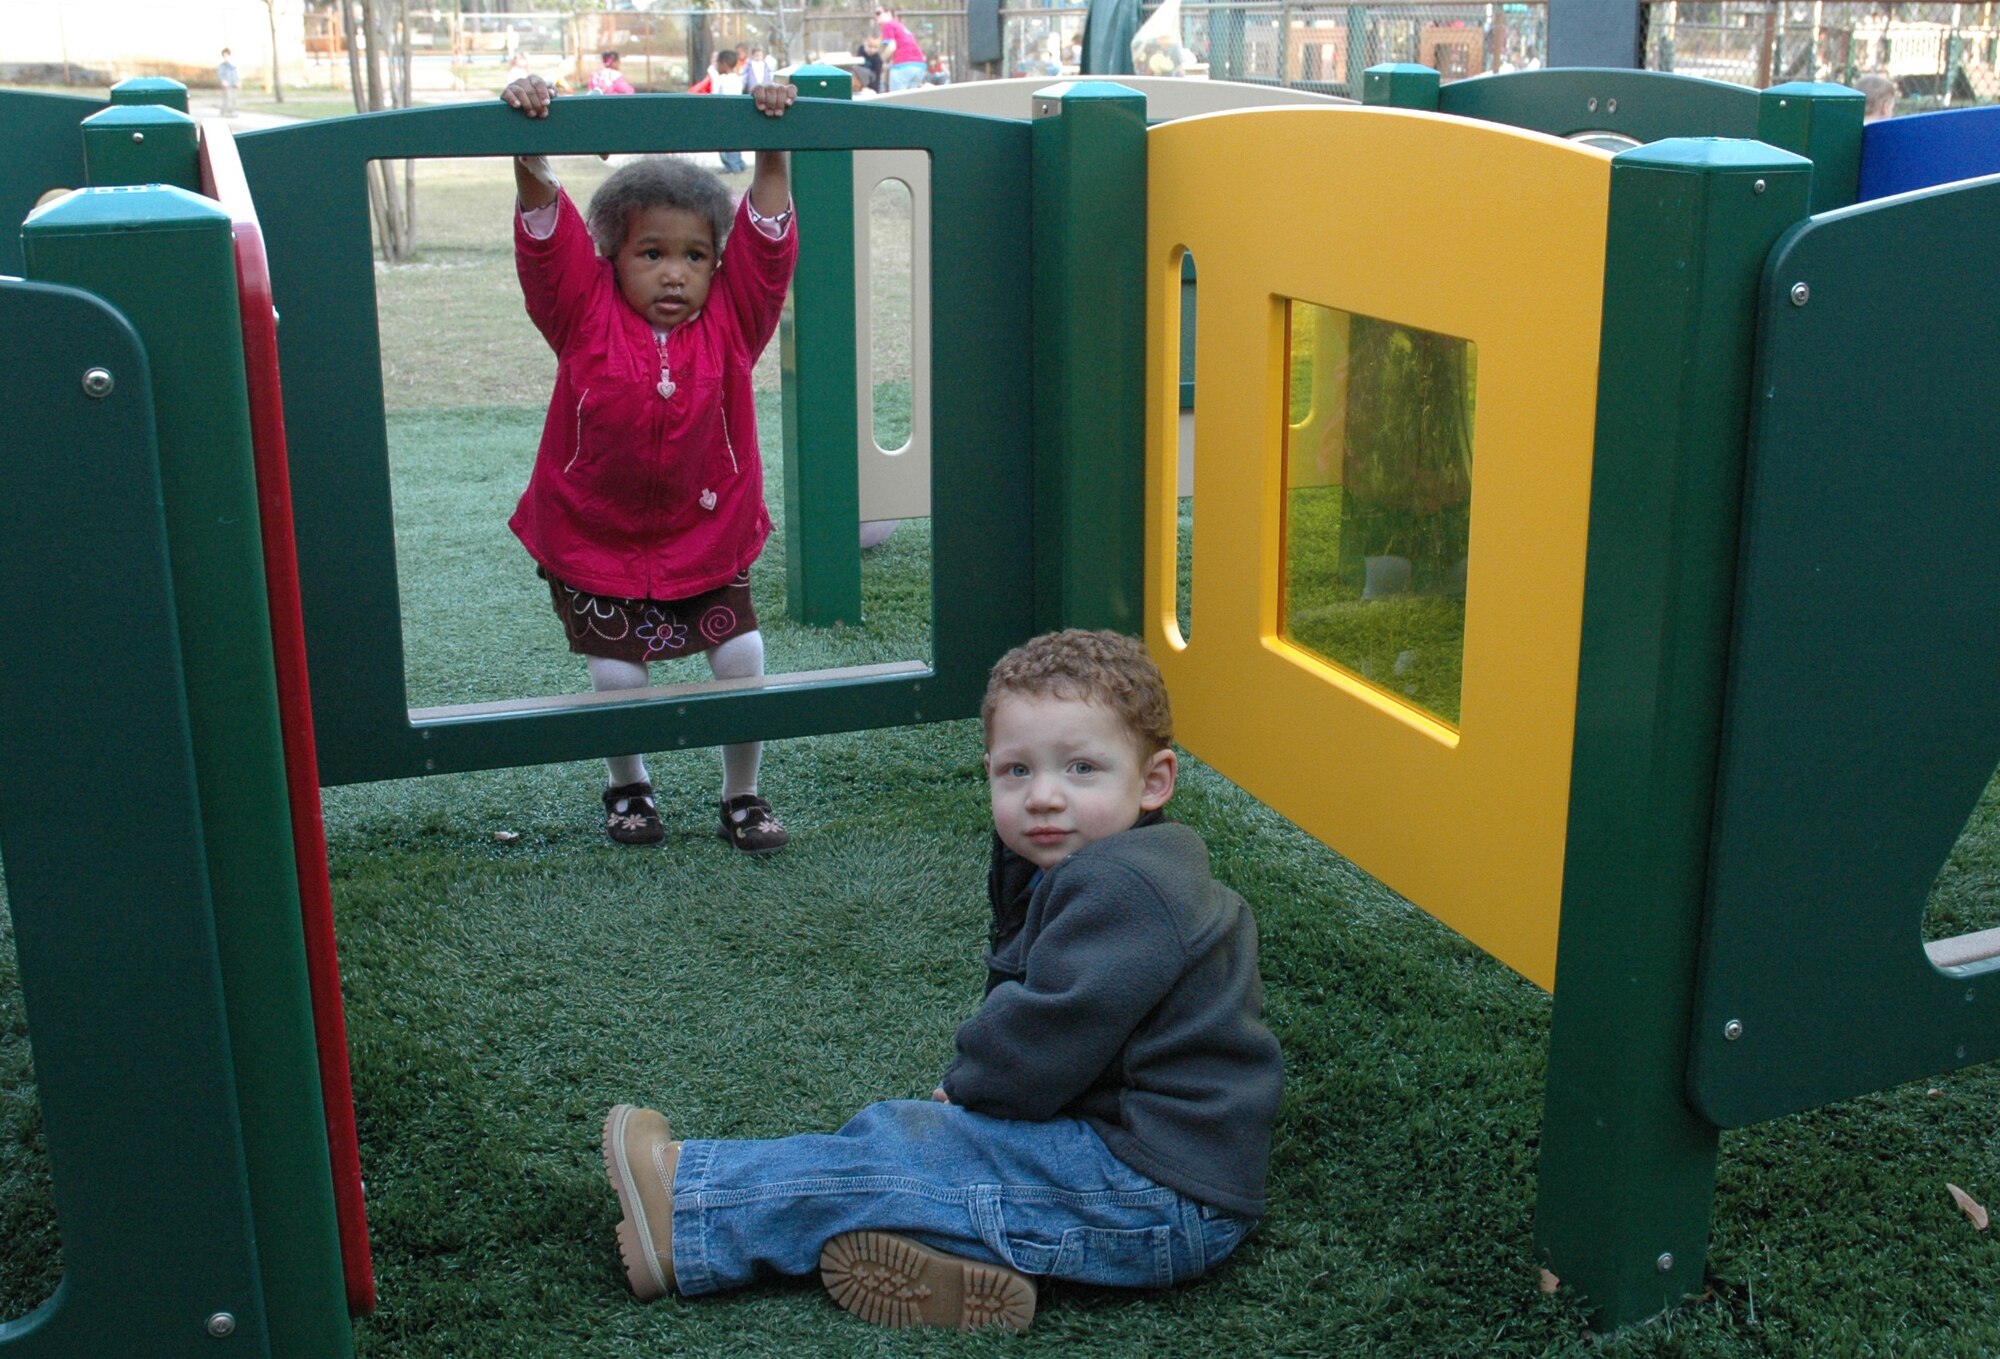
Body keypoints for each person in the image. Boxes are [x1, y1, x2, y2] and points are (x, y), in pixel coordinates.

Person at [599, 629, 1284, 1332]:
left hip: (1155, 1195)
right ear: (988, 771)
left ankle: (688, 1210)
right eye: (1017, 771)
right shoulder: (1089, 865)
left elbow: (1048, 1028)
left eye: (1081, 768)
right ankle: (949, 1248)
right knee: (930, 1151)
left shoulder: (1130, 887)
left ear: (1153, 780)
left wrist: (967, 1089)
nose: (1044, 796)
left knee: (908, 1147)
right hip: (1135, 1166)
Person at [499, 73, 800, 850]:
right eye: (652, 253)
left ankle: (743, 792)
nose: (675, 273)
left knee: (741, 655)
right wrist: (530, 139)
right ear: (610, 258)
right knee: (618, 676)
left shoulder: (733, 320)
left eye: (695, 255)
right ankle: (627, 782)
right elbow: (545, 230)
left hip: (706, 532)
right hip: (597, 534)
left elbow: (767, 247)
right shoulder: (582, 309)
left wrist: (771, 144)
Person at [708, 49, 748, 174]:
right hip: (735, 116)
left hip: (724, 117)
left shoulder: (723, 79)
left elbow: (717, 96)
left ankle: (732, 166)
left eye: (718, 64)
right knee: (734, 142)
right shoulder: (737, 79)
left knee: (725, 144)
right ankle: (738, 163)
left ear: (724, 64)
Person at [875, 5, 929, 91]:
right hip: (919, 67)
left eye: (878, 13)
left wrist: (879, 61)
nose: (876, 16)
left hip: (902, 67)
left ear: (888, 12)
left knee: (897, 100)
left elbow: (892, 46)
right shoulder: (900, 26)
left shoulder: (888, 25)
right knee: (910, 101)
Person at [217, 48, 240, 117]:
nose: (226, 57)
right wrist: (223, 81)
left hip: (233, 84)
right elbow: (220, 74)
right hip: (227, 84)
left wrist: (238, 82)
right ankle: (225, 112)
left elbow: (237, 74)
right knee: (227, 98)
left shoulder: (233, 65)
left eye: (227, 55)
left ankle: (232, 111)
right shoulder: (222, 65)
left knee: (234, 98)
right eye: (224, 56)